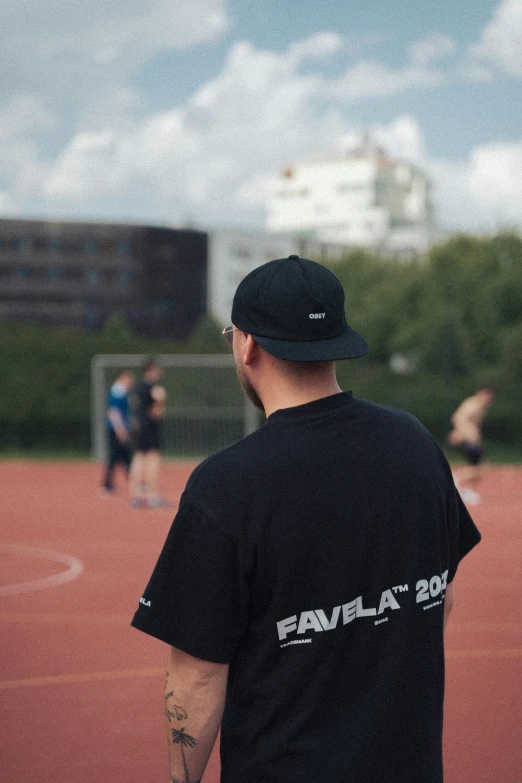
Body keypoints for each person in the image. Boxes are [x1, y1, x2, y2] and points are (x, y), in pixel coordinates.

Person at [131, 255, 481, 783]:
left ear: (247, 344)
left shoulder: (227, 483)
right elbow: (440, 595)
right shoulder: (415, 444)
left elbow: (198, 675)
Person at [129, 359, 168, 509]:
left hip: (138, 427)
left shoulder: (137, 387)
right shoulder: (153, 389)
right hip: (149, 428)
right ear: (151, 370)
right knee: (152, 459)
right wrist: (162, 400)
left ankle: (136, 496)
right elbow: (156, 413)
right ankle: (152, 495)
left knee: (138, 458)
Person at [448, 386, 495, 505]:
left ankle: (467, 491)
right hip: (465, 440)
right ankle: (455, 478)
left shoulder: (480, 407)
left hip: (469, 440)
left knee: (479, 466)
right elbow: (458, 418)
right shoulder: (472, 404)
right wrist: (470, 432)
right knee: (479, 467)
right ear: (482, 394)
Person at [99, 369, 134, 495]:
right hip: (116, 430)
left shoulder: (122, 391)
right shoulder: (117, 391)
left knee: (124, 457)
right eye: (129, 379)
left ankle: (131, 482)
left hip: (118, 429)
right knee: (118, 457)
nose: (131, 382)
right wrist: (120, 430)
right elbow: (113, 412)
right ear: (123, 378)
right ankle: (107, 485)